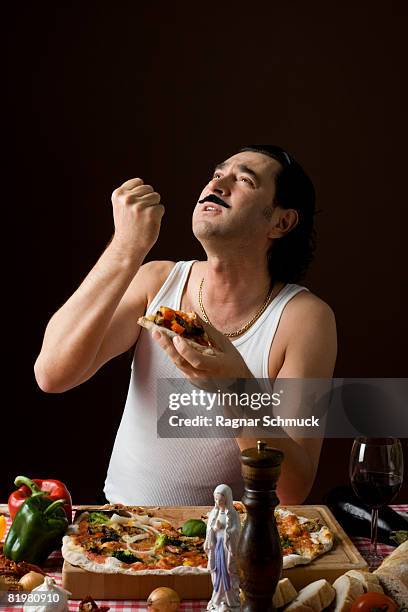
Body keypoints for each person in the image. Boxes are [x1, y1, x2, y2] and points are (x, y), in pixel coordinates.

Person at [34, 145, 337, 505]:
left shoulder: (303, 318)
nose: (218, 184)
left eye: (244, 180)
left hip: (232, 543)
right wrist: (126, 248)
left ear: (280, 222)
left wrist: (235, 387)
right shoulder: (156, 282)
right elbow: (53, 374)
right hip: (122, 530)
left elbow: (292, 490)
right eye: (217, 174)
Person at [204, 484, 241, 611]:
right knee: (218, 574)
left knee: (229, 573)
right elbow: (209, 531)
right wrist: (215, 528)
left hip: (228, 549)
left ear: (227, 499)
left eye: (221, 499)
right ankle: (218, 600)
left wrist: (227, 531)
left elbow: (237, 531)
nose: (218, 502)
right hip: (217, 548)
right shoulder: (213, 513)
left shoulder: (233, 514)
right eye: (216, 499)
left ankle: (231, 601)